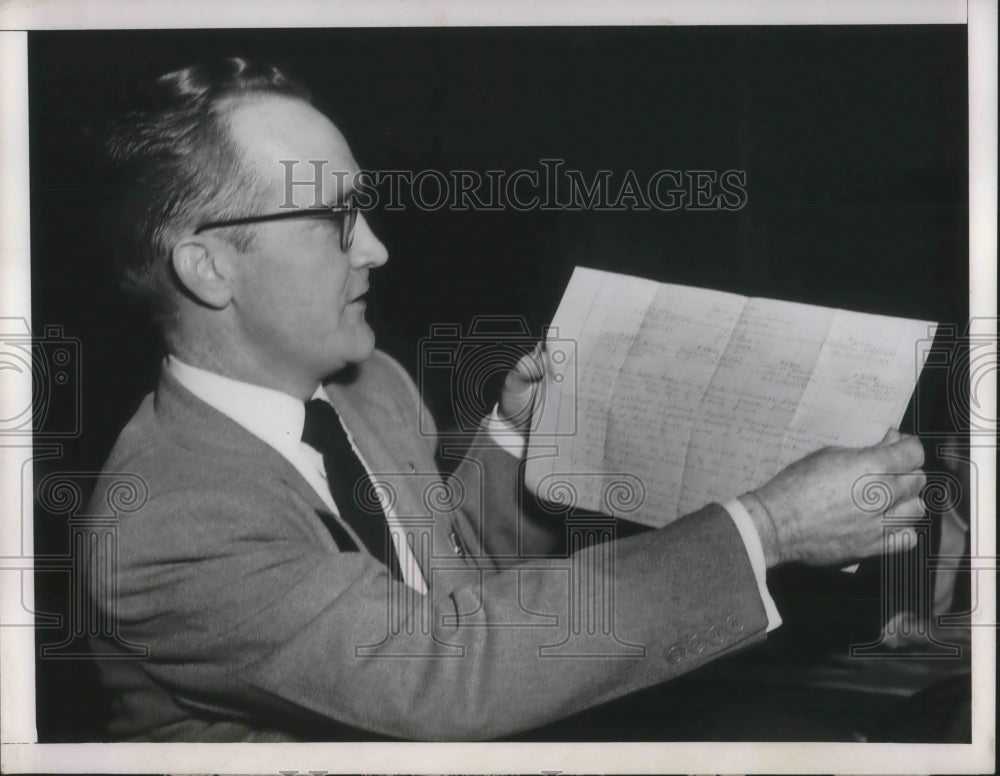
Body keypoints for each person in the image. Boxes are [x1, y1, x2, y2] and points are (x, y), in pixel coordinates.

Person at [86, 58, 927, 742]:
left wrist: (520, 439)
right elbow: (441, 668)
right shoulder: (168, 523)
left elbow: (451, 582)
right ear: (209, 267)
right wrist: (768, 528)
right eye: (335, 218)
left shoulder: (370, 388)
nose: (374, 248)